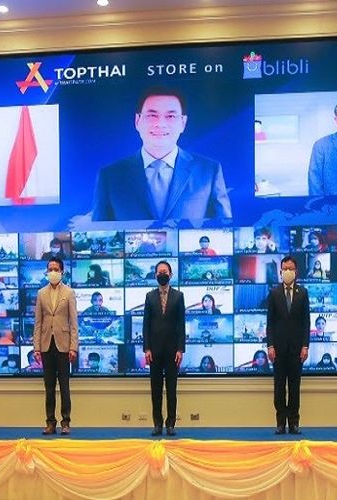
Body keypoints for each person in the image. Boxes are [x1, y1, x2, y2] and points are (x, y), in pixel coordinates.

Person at [92, 86, 232, 221]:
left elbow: (226, 227)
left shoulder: (209, 171)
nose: (160, 124)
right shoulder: (110, 176)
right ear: (137, 121)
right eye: (152, 115)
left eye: (170, 116)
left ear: (183, 123)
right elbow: (98, 229)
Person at [34, 257, 79, 435]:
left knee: (64, 386)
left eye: (56, 269)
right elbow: (38, 322)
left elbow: (74, 322)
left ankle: (65, 422)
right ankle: (50, 423)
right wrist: (36, 347)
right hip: (46, 345)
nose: (53, 272)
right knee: (49, 387)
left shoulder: (69, 292)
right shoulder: (41, 293)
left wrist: (73, 347)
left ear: (62, 272)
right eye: (50, 269)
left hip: (64, 345)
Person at [266, 255, 310, 434]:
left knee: (294, 388)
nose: (288, 271)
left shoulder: (303, 293)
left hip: (297, 350)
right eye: (285, 269)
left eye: (291, 268)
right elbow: (270, 323)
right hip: (278, 349)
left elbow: (306, 322)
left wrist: (305, 346)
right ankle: (280, 423)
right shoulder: (274, 293)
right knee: (279, 388)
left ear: (296, 272)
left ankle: (294, 423)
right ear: (280, 271)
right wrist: (270, 346)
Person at [143, 260, 185, 436]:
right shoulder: (149, 296)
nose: (162, 275)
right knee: (156, 389)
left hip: (172, 351)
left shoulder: (178, 296)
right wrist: (146, 349)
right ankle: (157, 424)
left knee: (171, 389)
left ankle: (170, 424)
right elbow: (146, 325)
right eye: (159, 272)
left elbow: (181, 324)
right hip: (154, 351)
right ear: (155, 275)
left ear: (171, 274)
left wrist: (180, 349)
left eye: (165, 272)